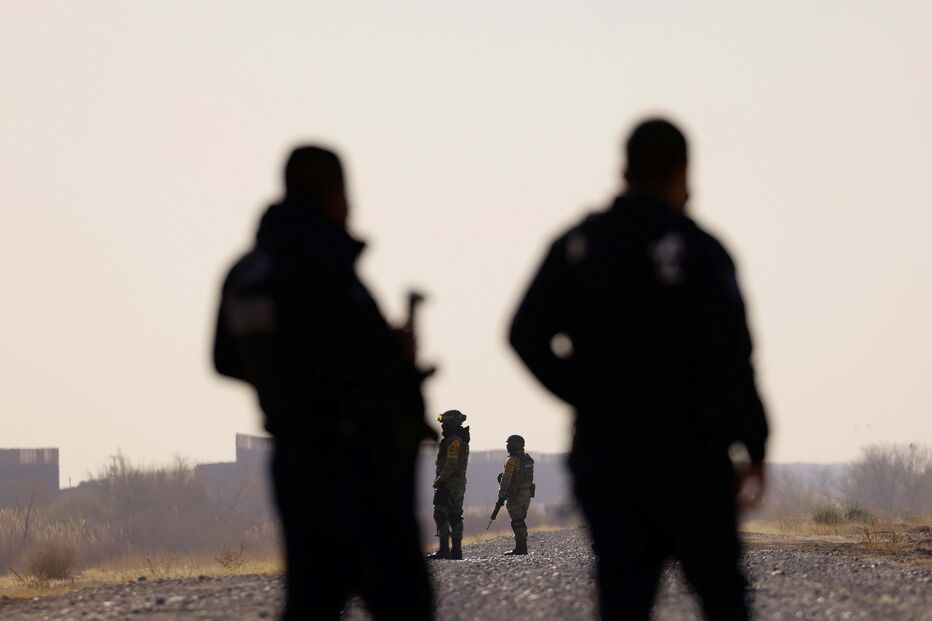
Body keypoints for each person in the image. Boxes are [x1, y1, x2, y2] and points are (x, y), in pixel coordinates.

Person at [508, 119, 768, 620]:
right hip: (693, 457)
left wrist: (583, 392)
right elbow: (734, 357)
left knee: (623, 597)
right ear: (683, 171)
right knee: (722, 597)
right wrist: (754, 443)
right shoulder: (699, 250)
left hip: (609, 454)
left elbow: (524, 334)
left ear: (623, 171)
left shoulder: (581, 245)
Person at [213, 146, 435, 621]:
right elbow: (354, 363)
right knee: (403, 602)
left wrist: (284, 389)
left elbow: (226, 359)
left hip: (296, 460)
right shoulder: (323, 267)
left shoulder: (247, 275)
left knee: (311, 601)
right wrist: (393, 357)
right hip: (357, 467)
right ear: (331, 193)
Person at [429, 409, 470, 560]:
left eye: (444, 422)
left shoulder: (454, 441)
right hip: (459, 483)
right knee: (455, 516)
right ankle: (457, 551)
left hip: (449, 483)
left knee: (440, 513)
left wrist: (440, 479)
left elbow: (452, 463)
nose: (442, 426)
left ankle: (444, 550)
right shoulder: (461, 439)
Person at [495, 434, 535, 556]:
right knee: (520, 520)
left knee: (517, 521)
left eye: (509, 444)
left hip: (515, 495)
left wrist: (501, 495)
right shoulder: (528, 459)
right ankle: (521, 547)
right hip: (526, 494)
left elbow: (506, 479)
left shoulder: (511, 461)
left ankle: (521, 548)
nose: (507, 446)